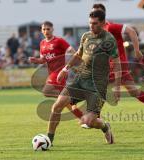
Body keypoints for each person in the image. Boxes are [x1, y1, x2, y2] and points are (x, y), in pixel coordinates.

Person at [47, 10, 121, 144]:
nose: (91, 26)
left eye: (95, 23)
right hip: (80, 80)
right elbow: (78, 54)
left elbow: (117, 64)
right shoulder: (86, 36)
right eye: (90, 23)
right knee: (57, 106)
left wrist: (117, 87)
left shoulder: (109, 39)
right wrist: (66, 68)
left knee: (89, 121)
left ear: (103, 23)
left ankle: (105, 126)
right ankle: (48, 140)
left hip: (97, 86)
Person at [92, 3, 144, 124]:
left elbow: (131, 31)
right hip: (109, 65)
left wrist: (137, 51)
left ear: (103, 15)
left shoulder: (111, 27)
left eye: (97, 13)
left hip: (119, 63)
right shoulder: (96, 31)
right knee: (134, 91)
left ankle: (95, 119)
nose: (94, 17)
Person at [28, 21, 83, 119]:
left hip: (59, 72)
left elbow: (71, 50)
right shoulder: (42, 43)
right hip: (52, 72)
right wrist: (36, 60)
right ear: (41, 30)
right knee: (64, 101)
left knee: (46, 91)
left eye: (48, 29)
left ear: (52, 29)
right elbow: (43, 60)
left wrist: (78, 61)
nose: (46, 31)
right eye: (44, 29)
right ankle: (82, 117)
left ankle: (70, 98)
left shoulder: (59, 41)